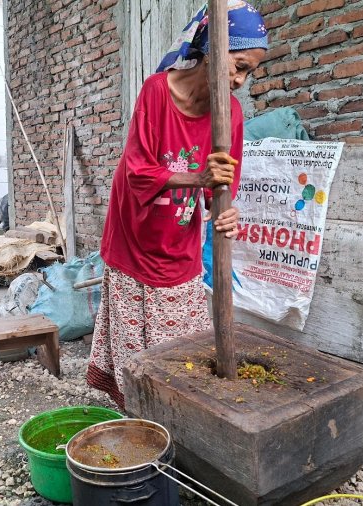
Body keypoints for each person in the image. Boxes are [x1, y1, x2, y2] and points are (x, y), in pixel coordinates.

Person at [86, 1, 268, 409]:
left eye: (248, 72)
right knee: (135, 348)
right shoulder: (156, 91)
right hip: (133, 235)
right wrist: (198, 177)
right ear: (209, 50)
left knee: (183, 345)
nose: (239, 80)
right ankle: (136, 413)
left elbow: (219, 190)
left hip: (178, 243)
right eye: (237, 65)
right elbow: (138, 172)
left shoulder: (231, 115)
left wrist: (226, 211)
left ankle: (177, 419)